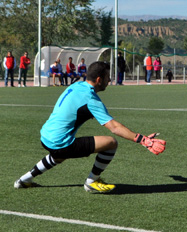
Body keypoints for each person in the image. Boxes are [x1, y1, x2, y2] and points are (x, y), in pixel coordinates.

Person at [13, 61, 166, 193]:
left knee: (59, 155)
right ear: (99, 79)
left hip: (45, 136)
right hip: (59, 142)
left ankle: (23, 180)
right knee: (111, 143)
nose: (109, 80)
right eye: (107, 77)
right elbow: (114, 127)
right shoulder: (92, 100)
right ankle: (92, 182)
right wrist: (142, 140)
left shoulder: (77, 85)